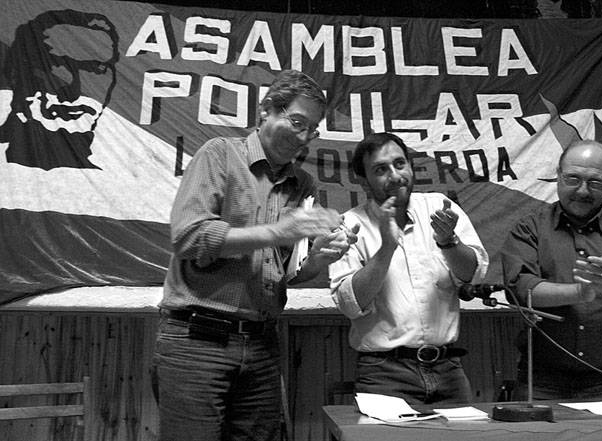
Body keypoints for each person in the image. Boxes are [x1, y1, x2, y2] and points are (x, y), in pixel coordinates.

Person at [154, 69, 357, 441]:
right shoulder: (219, 154)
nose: (302, 137)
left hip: (263, 343)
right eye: (296, 122)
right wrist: (277, 232)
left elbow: (285, 271)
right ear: (266, 111)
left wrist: (317, 261)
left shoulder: (303, 184)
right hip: (198, 340)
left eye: (310, 130)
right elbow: (189, 237)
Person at [328, 132, 488, 405]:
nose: (395, 175)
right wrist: (387, 248)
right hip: (384, 372)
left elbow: (473, 273)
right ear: (364, 181)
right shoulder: (348, 225)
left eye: (400, 164)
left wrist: (448, 242)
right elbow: (349, 302)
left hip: (448, 367)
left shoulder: (439, 207)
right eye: (381, 169)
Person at [502, 140, 602, 400]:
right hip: (543, 381)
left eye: (595, 182)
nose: (582, 190)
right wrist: (580, 292)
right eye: (572, 178)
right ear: (558, 175)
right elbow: (519, 290)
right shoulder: (530, 227)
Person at [0, 9, 119, 170]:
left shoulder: (135, 168)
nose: (73, 92)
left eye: (95, 69)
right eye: (56, 65)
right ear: (17, 73)